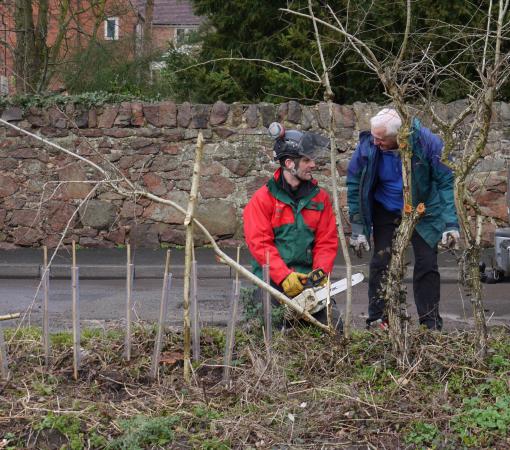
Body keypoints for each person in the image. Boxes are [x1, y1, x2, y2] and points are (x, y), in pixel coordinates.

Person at [347, 108, 460, 330]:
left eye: (381, 139)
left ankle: (430, 324)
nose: (375, 142)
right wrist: (358, 227)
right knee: (381, 262)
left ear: (399, 136)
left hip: (422, 208)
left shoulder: (428, 143)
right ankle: (379, 319)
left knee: (427, 264)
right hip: (385, 207)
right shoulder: (369, 145)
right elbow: (354, 183)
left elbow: (446, 182)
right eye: (374, 137)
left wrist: (450, 224)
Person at [243, 122, 339, 327]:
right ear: (289, 164)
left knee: (333, 326)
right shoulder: (263, 199)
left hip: (309, 282)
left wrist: (319, 275)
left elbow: (326, 242)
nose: (313, 165)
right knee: (274, 331)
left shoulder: (320, 199)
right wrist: (284, 277)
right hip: (271, 283)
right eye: (306, 160)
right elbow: (261, 245)